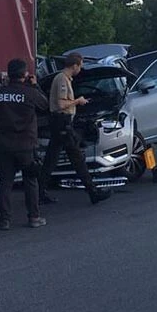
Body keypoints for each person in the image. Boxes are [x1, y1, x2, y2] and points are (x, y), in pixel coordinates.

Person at [39, 53, 110, 205]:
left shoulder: (63, 79)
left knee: (51, 159)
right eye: (80, 66)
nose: (81, 69)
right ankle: (92, 192)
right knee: (77, 158)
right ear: (75, 66)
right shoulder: (62, 79)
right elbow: (61, 104)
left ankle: (39, 191)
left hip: (60, 123)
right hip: (62, 122)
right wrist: (78, 101)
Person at [0, 59, 49, 231]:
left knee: (6, 183)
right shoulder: (30, 93)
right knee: (30, 181)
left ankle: (4, 220)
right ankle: (34, 217)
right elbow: (45, 105)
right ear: (24, 74)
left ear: (9, 74)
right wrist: (35, 86)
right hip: (26, 145)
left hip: (4, 144)